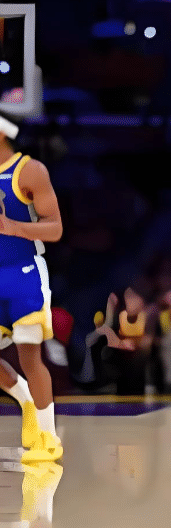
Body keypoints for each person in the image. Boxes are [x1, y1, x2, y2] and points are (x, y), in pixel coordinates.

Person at [0, 115, 63, 463]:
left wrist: (14, 227)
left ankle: (48, 438)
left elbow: (55, 229)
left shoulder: (29, 171)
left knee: (29, 357)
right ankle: (25, 399)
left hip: (23, 274)